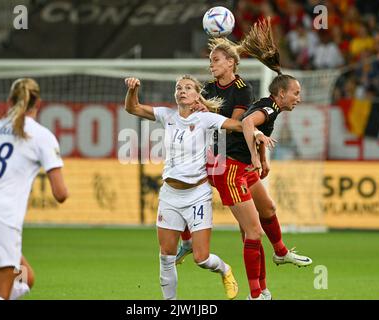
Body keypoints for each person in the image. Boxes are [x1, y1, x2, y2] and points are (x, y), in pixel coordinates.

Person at [177, 18, 312, 300]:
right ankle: (256, 293)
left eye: (216, 59)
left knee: (268, 212)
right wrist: (257, 153)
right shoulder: (212, 89)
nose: (211, 64)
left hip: (238, 163)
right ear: (283, 94)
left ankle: (278, 257)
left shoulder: (245, 90)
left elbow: (243, 124)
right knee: (252, 231)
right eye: (296, 94)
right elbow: (245, 125)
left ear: (230, 63)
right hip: (227, 165)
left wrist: (262, 156)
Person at [124, 75, 274, 300]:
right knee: (166, 256)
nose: (182, 91)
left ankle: (224, 269)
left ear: (197, 96)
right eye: (178, 88)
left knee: (201, 258)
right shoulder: (167, 116)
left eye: (187, 88)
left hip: (197, 195)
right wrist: (133, 90)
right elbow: (132, 108)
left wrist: (257, 131)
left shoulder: (207, 119)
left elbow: (238, 124)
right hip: (170, 195)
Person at [0, 78, 68, 300]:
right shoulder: (41, 136)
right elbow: (60, 193)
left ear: (9, 100)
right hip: (0, 217)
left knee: (25, 278)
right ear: (38, 104)